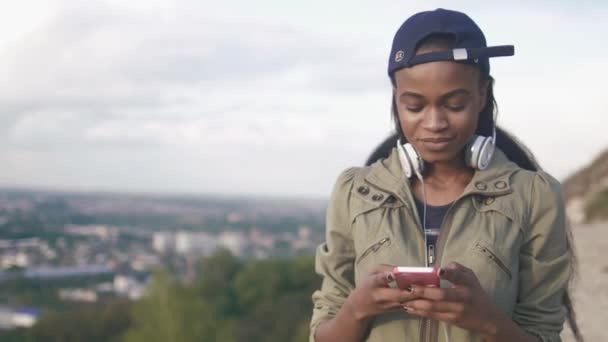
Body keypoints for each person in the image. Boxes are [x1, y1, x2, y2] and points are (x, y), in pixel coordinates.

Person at [309, 8, 581, 342]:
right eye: (415, 106)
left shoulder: (535, 197)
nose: (435, 122)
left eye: (454, 104)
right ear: (395, 98)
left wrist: (487, 321)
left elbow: (543, 332)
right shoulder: (354, 192)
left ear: (482, 95)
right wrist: (357, 309)